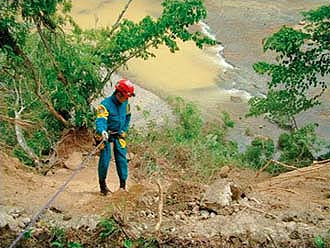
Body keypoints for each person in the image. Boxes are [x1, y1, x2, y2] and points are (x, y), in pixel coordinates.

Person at [95, 79, 135, 195]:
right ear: (118, 94)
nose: (127, 99)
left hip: (119, 133)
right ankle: (103, 186)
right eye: (126, 96)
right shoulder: (105, 105)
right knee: (105, 159)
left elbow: (127, 117)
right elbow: (101, 119)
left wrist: (124, 129)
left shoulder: (125, 103)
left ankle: (123, 186)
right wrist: (102, 131)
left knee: (121, 158)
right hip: (105, 135)